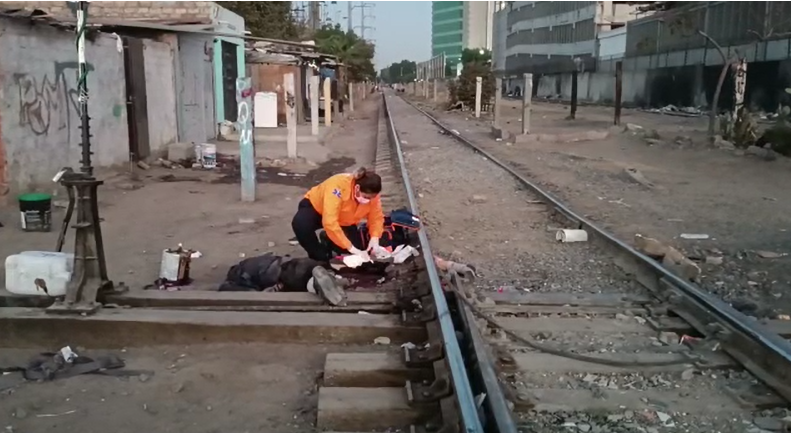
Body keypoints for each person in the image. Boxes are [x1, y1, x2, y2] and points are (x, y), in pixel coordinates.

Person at [292, 167, 388, 263]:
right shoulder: (337, 186)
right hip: (316, 209)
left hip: (344, 220)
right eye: (366, 197)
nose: (369, 200)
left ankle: (327, 238)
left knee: (356, 251)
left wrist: (375, 238)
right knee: (301, 225)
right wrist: (351, 248)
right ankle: (319, 256)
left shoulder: (372, 195)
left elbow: (376, 218)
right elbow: (330, 222)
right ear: (357, 188)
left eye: (372, 197)